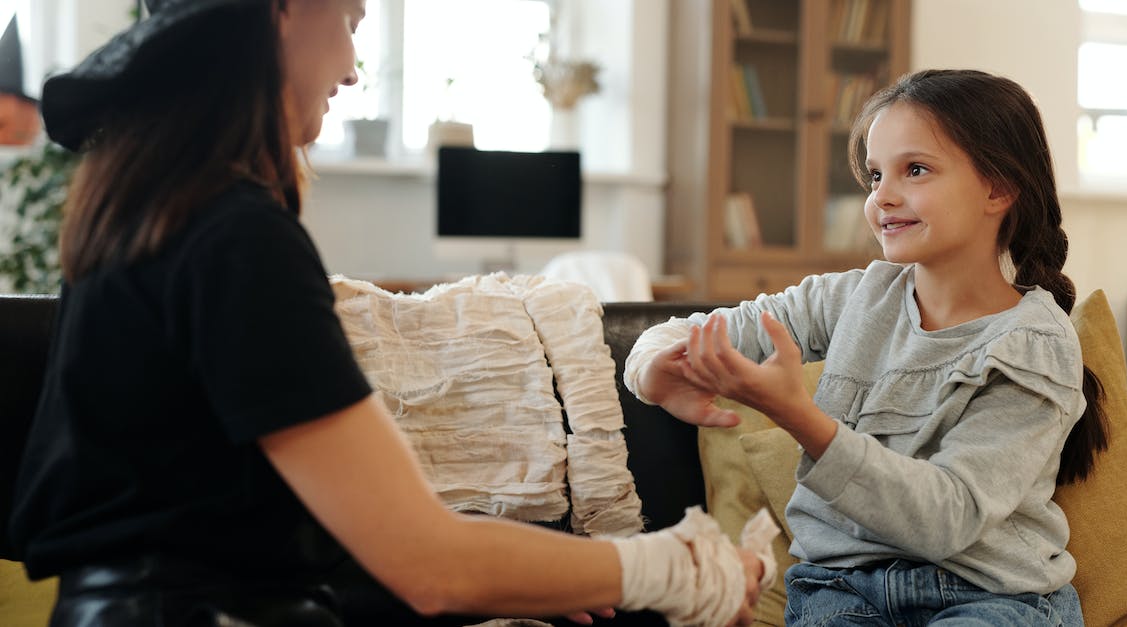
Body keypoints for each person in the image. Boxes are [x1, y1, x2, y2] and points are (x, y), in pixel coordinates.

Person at [7, 1, 768, 625]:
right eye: (351, 23)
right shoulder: (233, 238)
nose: (350, 67)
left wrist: (552, 575)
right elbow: (432, 566)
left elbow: (287, 524)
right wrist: (680, 569)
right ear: (283, 13)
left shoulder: (152, 210)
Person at [624, 69, 1110, 626]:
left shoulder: (1033, 344)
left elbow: (945, 519)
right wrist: (652, 370)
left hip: (991, 598)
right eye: (876, 175)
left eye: (916, 170)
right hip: (838, 592)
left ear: (997, 189)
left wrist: (799, 417)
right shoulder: (852, 297)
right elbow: (685, 330)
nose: (883, 196)